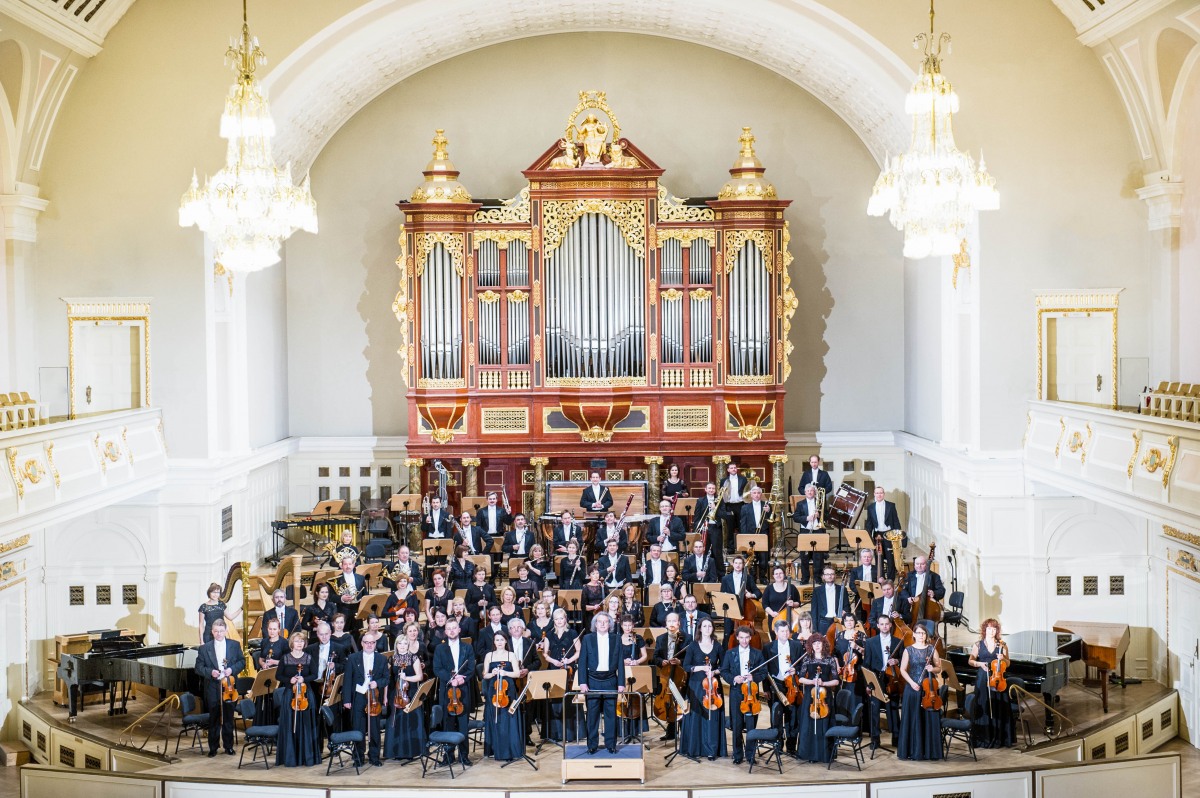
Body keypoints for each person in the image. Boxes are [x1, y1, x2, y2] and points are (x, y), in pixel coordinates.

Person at [194, 618, 244, 757]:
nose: (219, 634)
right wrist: (211, 672)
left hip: (230, 685)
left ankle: (228, 746)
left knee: (228, 716)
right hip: (212, 686)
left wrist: (231, 670)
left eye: (221, 631)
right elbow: (198, 668)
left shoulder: (234, 645)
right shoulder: (204, 648)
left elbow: (242, 662)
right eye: (216, 631)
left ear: (226, 631)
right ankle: (213, 747)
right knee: (214, 717)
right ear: (212, 631)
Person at [578, 611, 626, 754]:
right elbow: (582, 662)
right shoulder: (587, 638)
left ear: (610, 624)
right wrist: (582, 682)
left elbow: (620, 663)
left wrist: (621, 683)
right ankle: (592, 745)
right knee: (592, 715)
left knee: (611, 714)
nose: (603, 624)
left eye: (606, 621)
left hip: (611, 680)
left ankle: (611, 744)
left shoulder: (616, 639)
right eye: (600, 621)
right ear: (595, 624)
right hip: (592, 681)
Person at [432, 617, 477, 766]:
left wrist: (462, 680)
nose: (451, 631)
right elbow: (437, 669)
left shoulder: (467, 647)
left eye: (454, 628)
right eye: (448, 628)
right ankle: (448, 756)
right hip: (447, 690)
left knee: (463, 724)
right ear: (445, 632)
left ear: (459, 629)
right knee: (448, 723)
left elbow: (471, 668)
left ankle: (464, 756)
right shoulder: (440, 648)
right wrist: (451, 679)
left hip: (463, 689)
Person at [679, 617, 725, 760]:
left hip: (713, 687)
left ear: (712, 629)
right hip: (697, 686)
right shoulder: (693, 646)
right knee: (697, 717)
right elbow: (686, 666)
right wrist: (701, 667)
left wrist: (714, 671)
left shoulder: (717, 646)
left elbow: (724, 666)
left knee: (712, 718)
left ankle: (711, 749)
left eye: (709, 626)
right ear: (699, 628)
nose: (707, 629)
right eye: (704, 626)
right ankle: (694, 748)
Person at [342, 632, 389, 766]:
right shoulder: (353, 658)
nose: (369, 645)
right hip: (358, 697)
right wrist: (346, 699)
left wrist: (377, 683)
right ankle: (358, 757)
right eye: (366, 642)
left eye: (372, 642)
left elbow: (386, 678)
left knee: (374, 729)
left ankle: (374, 757)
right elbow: (347, 680)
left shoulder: (381, 659)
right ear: (362, 643)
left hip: (374, 698)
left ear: (375, 644)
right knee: (358, 728)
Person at [897, 624, 943, 761]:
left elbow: (939, 668)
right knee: (913, 719)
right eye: (918, 633)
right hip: (913, 688)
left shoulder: (932, 650)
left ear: (926, 635)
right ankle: (913, 751)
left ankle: (930, 752)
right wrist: (911, 683)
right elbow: (903, 670)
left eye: (923, 633)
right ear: (914, 635)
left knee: (928, 719)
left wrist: (932, 669)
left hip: (928, 689)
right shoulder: (908, 650)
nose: (921, 635)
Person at [719, 626, 764, 765]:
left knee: (751, 725)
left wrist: (754, 677)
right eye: (741, 637)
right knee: (736, 725)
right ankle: (737, 754)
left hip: (752, 694)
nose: (744, 640)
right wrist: (734, 679)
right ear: (737, 638)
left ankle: (751, 755)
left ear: (750, 638)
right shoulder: (730, 653)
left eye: (747, 637)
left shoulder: (757, 654)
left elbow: (764, 672)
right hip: (737, 692)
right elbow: (724, 671)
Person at [968, 618, 1014, 748]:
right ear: (985, 630)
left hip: (998, 679)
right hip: (983, 678)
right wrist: (979, 663)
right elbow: (970, 660)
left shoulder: (1002, 645)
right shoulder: (978, 645)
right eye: (989, 628)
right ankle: (983, 738)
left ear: (997, 631)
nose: (991, 631)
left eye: (994, 629)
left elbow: (1008, 663)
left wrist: (1003, 658)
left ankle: (1000, 738)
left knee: (998, 706)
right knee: (983, 704)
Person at [276, 631, 319, 767]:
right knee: (290, 724)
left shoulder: (308, 657)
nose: (299, 643)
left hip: (306, 695)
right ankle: (290, 757)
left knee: (306, 725)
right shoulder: (285, 658)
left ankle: (307, 757)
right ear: (292, 643)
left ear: (304, 643)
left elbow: (315, 674)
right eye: (297, 641)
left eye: (301, 641)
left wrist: (303, 679)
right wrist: (290, 680)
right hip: (290, 694)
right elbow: (278, 676)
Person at [385, 621, 426, 761]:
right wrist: (386, 696)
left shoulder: (413, 658)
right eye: (399, 644)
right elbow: (388, 678)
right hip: (396, 693)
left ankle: (411, 750)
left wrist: (406, 677)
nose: (402, 646)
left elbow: (419, 676)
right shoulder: (392, 659)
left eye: (404, 644)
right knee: (395, 721)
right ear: (396, 645)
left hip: (410, 692)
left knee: (410, 720)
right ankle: (396, 751)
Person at [796, 633, 839, 763]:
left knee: (824, 723)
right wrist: (812, 681)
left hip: (824, 697)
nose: (817, 646)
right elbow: (801, 678)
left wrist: (824, 683)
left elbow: (836, 681)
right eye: (814, 643)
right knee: (809, 724)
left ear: (823, 644)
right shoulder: (807, 659)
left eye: (819, 643)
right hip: (811, 695)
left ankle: (825, 754)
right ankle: (810, 754)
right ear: (811, 646)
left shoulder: (830, 659)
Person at [481, 632, 524, 761]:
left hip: (508, 690)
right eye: (497, 640)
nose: (499, 642)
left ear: (506, 641)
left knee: (508, 719)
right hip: (493, 690)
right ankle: (496, 749)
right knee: (496, 718)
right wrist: (492, 673)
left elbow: (517, 674)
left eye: (501, 640)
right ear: (493, 642)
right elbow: (484, 675)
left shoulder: (511, 655)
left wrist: (505, 672)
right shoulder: (489, 655)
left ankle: (510, 750)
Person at [862, 614, 903, 751]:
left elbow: (904, 661)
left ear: (890, 625)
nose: (885, 626)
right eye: (882, 624)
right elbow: (866, 665)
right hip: (876, 678)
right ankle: (875, 739)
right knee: (874, 710)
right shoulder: (870, 642)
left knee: (893, 708)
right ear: (878, 626)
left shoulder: (898, 642)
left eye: (887, 624)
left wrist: (896, 661)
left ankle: (896, 738)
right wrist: (868, 684)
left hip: (891, 679)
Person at [764, 619, 804, 754]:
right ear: (776, 632)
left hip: (792, 684)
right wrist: (765, 689)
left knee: (792, 718)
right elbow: (765, 670)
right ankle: (778, 745)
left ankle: (791, 747)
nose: (785, 633)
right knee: (776, 716)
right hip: (776, 685)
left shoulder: (797, 646)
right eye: (782, 631)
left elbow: (802, 665)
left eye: (787, 631)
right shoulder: (768, 648)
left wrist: (796, 671)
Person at [543, 607, 582, 742]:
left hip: (569, 670)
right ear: (553, 621)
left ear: (565, 619)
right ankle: (557, 733)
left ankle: (571, 733)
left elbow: (578, 651)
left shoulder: (572, 633)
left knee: (569, 700)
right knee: (556, 700)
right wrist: (554, 661)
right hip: (554, 669)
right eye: (557, 619)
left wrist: (569, 660)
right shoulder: (548, 635)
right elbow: (545, 654)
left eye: (561, 618)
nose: (559, 621)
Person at [652, 613, 689, 741]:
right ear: (666, 623)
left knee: (680, 700)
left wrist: (680, 662)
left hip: (681, 675)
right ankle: (671, 731)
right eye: (669, 621)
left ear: (679, 623)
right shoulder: (661, 638)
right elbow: (655, 656)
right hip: (666, 674)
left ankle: (685, 731)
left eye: (674, 621)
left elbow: (690, 657)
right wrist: (661, 661)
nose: (672, 623)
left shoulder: (687, 638)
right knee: (668, 699)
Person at [507, 617, 540, 745]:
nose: (516, 629)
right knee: (512, 706)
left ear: (523, 629)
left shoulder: (529, 643)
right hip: (511, 680)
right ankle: (513, 735)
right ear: (509, 630)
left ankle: (526, 735)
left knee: (527, 708)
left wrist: (527, 669)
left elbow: (537, 662)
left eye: (518, 627)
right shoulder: (506, 643)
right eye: (513, 627)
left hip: (526, 680)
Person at [863, 486, 906, 580]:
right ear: (874, 494)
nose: (879, 495)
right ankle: (881, 578)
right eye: (877, 493)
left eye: (881, 493)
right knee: (879, 558)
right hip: (877, 535)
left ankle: (890, 579)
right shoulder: (870, 507)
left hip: (889, 534)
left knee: (891, 558)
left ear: (884, 494)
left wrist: (898, 535)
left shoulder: (891, 505)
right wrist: (868, 537)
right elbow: (869, 523)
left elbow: (896, 521)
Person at [833, 612, 867, 719]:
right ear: (843, 622)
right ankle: (842, 723)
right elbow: (835, 654)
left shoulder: (861, 636)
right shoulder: (839, 636)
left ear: (855, 622)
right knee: (842, 697)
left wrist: (857, 646)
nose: (849, 623)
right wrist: (838, 666)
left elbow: (867, 653)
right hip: (842, 672)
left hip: (856, 672)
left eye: (851, 620)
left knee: (855, 698)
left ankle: (855, 725)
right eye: (846, 620)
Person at [719, 555, 760, 638]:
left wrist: (751, 595)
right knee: (728, 635)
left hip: (744, 611)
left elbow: (758, 593)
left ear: (743, 565)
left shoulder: (748, 578)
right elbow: (722, 595)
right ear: (733, 564)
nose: (738, 565)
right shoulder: (725, 579)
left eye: (740, 563)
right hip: (730, 611)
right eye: (736, 563)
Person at [791, 484, 826, 583]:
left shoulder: (820, 503)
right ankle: (805, 578)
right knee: (804, 556)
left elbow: (826, 515)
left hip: (818, 530)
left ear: (814, 492)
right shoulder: (800, 504)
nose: (810, 492)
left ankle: (818, 578)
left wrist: (820, 515)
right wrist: (807, 518)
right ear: (805, 492)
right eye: (808, 491)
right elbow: (796, 517)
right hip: (805, 531)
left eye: (811, 491)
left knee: (818, 557)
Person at [255, 617, 286, 724]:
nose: (272, 631)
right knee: (263, 701)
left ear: (279, 630)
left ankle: (274, 727)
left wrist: (273, 662)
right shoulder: (264, 642)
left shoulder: (284, 643)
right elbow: (261, 658)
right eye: (270, 629)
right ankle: (263, 727)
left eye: (274, 629)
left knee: (274, 701)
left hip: (278, 677)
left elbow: (286, 661)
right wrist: (263, 664)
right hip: (266, 675)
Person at [737, 485, 772, 576]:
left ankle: (762, 576)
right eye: (754, 493)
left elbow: (772, 519)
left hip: (763, 533)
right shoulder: (745, 507)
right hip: (750, 534)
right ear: (751, 495)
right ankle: (752, 576)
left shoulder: (767, 505)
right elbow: (743, 523)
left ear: (761, 494)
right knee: (751, 557)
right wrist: (744, 536)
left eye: (758, 493)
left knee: (763, 558)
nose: (756, 495)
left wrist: (769, 512)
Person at [899, 556, 946, 620]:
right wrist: (908, 597)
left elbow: (941, 591)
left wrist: (934, 593)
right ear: (914, 565)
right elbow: (903, 590)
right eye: (917, 564)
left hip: (928, 606)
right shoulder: (909, 575)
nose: (919, 566)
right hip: (912, 606)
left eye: (922, 564)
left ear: (927, 565)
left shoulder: (934, 576)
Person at [717, 462, 749, 556]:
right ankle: (730, 549)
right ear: (728, 470)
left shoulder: (743, 479)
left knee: (742, 527)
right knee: (729, 528)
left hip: (740, 505)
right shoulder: (724, 480)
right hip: (729, 505)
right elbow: (722, 494)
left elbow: (746, 491)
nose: (734, 469)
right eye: (731, 468)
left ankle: (743, 548)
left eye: (735, 468)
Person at [691, 481, 724, 567]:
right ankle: (705, 573)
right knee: (704, 550)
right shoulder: (700, 500)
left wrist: (715, 509)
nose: (711, 490)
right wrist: (698, 528)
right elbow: (697, 516)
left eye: (713, 488)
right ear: (705, 489)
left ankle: (720, 574)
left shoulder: (720, 500)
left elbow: (724, 514)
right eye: (709, 488)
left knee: (717, 552)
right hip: (704, 528)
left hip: (715, 527)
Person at [761, 565, 801, 630]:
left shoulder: (792, 587)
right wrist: (771, 613)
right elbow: (764, 604)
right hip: (774, 618)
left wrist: (793, 604)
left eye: (780, 573)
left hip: (789, 619)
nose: (778, 575)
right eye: (776, 574)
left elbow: (798, 603)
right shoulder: (768, 589)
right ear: (773, 576)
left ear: (784, 574)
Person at [811, 565, 849, 635]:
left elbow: (847, 606)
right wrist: (815, 629)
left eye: (832, 574)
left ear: (835, 576)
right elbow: (814, 611)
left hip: (838, 621)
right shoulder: (817, 591)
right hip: (823, 622)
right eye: (827, 574)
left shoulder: (842, 589)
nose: (830, 576)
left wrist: (845, 611)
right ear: (823, 577)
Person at [382, 574, 418, 644]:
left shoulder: (412, 595)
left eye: (404, 581)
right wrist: (396, 613)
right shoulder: (392, 596)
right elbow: (383, 613)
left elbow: (417, 613)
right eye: (400, 581)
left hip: (409, 624)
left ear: (407, 583)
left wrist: (403, 619)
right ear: (397, 583)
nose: (402, 583)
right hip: (395, 626)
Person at [333, 556, 366, 629]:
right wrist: (341, 598)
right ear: (341, 565)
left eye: (350, 564)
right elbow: (331, 597)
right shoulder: (336, 580)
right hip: (343, 611)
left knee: (357, 633)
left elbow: (365, 596)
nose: (348, 566)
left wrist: (364, 612)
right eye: (345, 564)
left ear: (354, 565)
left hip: (357, 610)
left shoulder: (361, 578)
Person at [849, 548, 880, 621]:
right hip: (860, 597)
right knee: (860, 618)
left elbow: (881, 585)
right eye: (864, 557)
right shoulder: (855, 570)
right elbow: (852, 584)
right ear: (861, 558)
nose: (866, 558)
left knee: (874, 616)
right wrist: (861, 592)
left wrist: (881, 581)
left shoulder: (877, 569)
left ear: (872, 558)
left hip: (874, 597)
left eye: (868, 557)